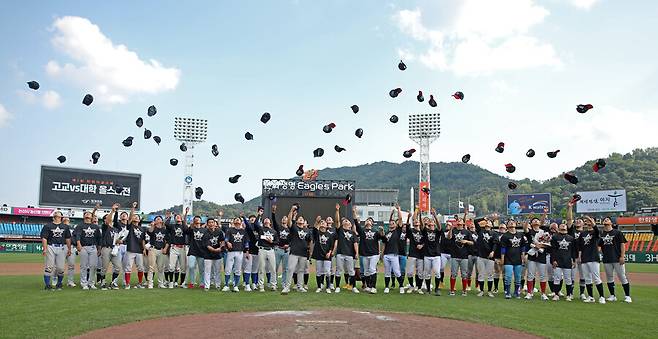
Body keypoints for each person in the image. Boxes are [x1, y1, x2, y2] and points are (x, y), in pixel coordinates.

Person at [598, 217, 632, 303]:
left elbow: (622, 245)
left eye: (607, 219)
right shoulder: (601, 234)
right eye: (604, 220)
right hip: (607, 258)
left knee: (622, 276)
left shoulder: (617, 232)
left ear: (611, 223)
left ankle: (627, 296)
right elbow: (599, 246)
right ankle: (612, 295)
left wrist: (622, 256)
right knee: (609, 277)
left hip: (617, 258)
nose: (605, 220)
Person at [281, 205, 312, 294]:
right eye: (299, 218)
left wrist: (309, 251)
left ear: (305, 222)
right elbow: (289, 220)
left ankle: (300, 286)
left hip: (303, 253)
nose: (301, 219)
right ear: (297, 221)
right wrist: (291, 210)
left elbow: (309, 241)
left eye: (302, 218)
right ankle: (287, 287)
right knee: (290, 269)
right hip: (294, 252)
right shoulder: (294, 228)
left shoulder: (307, 231)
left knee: (301, 270)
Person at [353, 206, 384, 294]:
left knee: (372, 269)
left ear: (372, 223)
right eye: (367, 220)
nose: (368, 221)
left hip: (374, 254)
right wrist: (354, 211)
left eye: (370, 220)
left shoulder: (376, 231)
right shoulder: (362, 231)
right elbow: (356, 221)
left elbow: (383, 239)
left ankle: (373, 287)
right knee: (366, 271)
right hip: (364, 254)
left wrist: (382, 233)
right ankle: (368, 286)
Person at [578, 215, 606, 304]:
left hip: (593, 258)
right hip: (584, 258)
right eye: (587, 221)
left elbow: (597, 231)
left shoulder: (596, 232)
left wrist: (591, 220)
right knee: (587, 279)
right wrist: (579, 256)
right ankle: (590, 296)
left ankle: (602, 297)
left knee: (596, 278)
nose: (588, 222)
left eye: (590, 221)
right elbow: (580, 246)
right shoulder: (582, 233)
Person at [332, 203, 360, 294]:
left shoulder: (353, 233)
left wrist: (356, 253)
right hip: (340, 253)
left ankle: (354, 287)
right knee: (339, 270)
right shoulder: (340, 230)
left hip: (350, 254)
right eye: (344, 221)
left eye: (347, 221)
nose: (345, 221)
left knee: (351, 271)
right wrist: (337, 211)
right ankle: (337, 287)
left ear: (350, 224)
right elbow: (336, 221)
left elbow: (355, 243)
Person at [523, 208, 550, 300]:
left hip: (542, 255)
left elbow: (547, 244)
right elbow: (525, 228)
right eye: (534, 220)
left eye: (537, 220)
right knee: (530, 274)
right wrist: (528, 218)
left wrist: (544, 213)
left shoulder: (544, 232)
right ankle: (529, 293)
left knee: (542, 275)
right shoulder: (530, 231)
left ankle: (543, 293)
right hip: (532, 255)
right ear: (531, 223)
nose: (536, 221)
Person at [41, 211, 72, 290]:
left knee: (60, 268)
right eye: (55, 213)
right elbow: (44, 238)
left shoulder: (65, 227)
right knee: (49, 267)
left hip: (62, 247)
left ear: (61, 217)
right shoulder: (48, 226)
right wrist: (44, 249)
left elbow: (68, 238)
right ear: (53, 216)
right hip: (51, 246)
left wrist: (69, 248)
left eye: (58, 213)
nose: (57, 214)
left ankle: (59, 283)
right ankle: (47, 285)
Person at [250, 209, 278, 292]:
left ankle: (273, 285)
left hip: (271, 250)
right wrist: (259, 215)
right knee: (261, 268)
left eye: (267, 219)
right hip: (262, 250)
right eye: (265, 219)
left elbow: (277, 241)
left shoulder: (274, 231)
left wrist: (271, 241)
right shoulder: (261, 229)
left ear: (270, 222)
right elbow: (255, 223)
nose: (266, 220)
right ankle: (261, 286)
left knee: (273, 268)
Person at [499, 220, 527, 299]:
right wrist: (502, 259)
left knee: (518, 276)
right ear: (507, 226)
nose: (511, 223)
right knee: (508, 276)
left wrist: (523, 256)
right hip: (508, 259)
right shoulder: (505, 236)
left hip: (518, 258)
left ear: (516, 224)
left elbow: (523, 247)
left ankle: (516, 292)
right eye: (509, 222)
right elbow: (503, 249)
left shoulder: (520, 234)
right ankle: (507, 292)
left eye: (513, 222)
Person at [75, 208, 102, 290]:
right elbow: (78, 235)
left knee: (93, 266)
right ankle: (84, 283)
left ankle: (91, 283)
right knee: (84, 266)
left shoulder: (95, 226)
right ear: (83, 217)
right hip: (84, 247)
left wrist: (99, 249)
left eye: (89, 214)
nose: (87, 214)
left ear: (92, 216)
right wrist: (78, 244)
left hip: (93, 247)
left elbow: (99, 238)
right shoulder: (80, 225)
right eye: (86, 214)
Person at [448, 213, 474, 296]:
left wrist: (466, 241)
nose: (459, 223)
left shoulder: (467, 232)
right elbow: (449, 237)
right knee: (453, 273)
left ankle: (464, 290)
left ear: (463, 223)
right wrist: (451, 229)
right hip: (454, 255)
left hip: (464, 256)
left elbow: (472, 242)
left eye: (461, 221)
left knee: (464, 274)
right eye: (458, 221)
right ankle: (452, 290)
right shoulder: (454, 230)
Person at [121, 202, 146, 289]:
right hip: (130, 249)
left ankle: (140, 283)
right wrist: (133, 208)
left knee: (140, 268)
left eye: (137, 217)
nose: (136, 217)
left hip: (139, 250)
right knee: (128, 268)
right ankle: (127, 284)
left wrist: (144, 249)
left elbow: (143, 240)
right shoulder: (130, 226)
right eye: (135, 216)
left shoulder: (142, 229)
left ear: (139, 220)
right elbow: (130, 217)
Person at [382, 204, 405, 294]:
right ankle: (387, 287)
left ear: (396, 225)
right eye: (390, 223)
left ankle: (401, 286)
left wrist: (398, 210)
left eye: (393, 223)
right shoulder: (387, 232)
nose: (391, 224)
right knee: (387, 272)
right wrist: (382, 254)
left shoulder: (397, 231)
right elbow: (384, 242)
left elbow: (400, 220)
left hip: (394, 254)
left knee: (396, 271)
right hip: (386, 254)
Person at [550, 223, 577, 301]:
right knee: (557, 278)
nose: (563, 226)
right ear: (558, 228)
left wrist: (573, 260)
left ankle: (568, 295)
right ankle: (556, 294)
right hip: (558, 261)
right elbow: (553, 250)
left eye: (564, 226)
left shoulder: (571, 238)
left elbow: (573, 251)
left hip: (567, 261)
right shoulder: (555, 237)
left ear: (567, 228)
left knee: (568, 279)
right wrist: (553, 260)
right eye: (561, 225)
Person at [310, 216, 336, 293]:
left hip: (327, 255)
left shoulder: (330, 234)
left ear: (326, 225)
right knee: (318, 272)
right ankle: (319, 287)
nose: (322, 223)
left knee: (327, 272)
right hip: (318, 255)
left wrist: (330, 252)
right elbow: (314, 229)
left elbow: (331, 245)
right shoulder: (317, 233)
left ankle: (328, 287)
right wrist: (316, 221)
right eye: (321, 222)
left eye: (324, 222)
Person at [422, 209, 444, 296]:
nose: (431, 224)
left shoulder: (437, 232)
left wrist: (435, 216)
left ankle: (437, 289)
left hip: (436, 255)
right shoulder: (425, 231)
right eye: (430, 223)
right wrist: (420, 214)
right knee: (427, 273)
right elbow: (422, 226)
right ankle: (428, 289)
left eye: (433, 223)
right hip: (427, 255)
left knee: (437, 272)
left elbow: (439, 227)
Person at [98, 204, 119, 290]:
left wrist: (119, 241)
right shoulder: (104, 227)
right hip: (106, 248)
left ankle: (113, 282)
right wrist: (112, 211)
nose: (110, 219)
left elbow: (117, 239)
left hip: (114, 249)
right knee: (104, 268)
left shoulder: (115, 228)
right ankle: (103, 282)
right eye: (107, 217)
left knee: (118, 267)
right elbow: (108, 221)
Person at [405, 208, 425, 294]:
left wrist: (422, 245)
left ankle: (419, 287)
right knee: (409, 272)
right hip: (412, 253)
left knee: (420, 272)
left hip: (421, 254)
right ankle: (411, 286)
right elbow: (407, 226)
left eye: (418, 221)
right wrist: (409, 217)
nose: (416, 222)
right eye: (415, 221)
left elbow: (426, 241)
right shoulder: (411, 231)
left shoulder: (424, 232)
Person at [474, 216, 495, 298]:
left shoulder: (494, 233)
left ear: (492, 225)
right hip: (481, 256)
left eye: (490, 222)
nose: (488, 223)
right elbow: (475, 221)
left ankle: (489, 291)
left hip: (490, 257)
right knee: (481, 274)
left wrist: (493, 251)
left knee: (490, 275)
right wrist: (484, 218)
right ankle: (481, 291)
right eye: (487, 222)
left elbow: (495, 243)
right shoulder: (480, 231)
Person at [242, 209, 263, 291]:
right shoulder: (248, 229)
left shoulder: (259, 229)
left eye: (254, 219)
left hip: (257, 251)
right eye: (251, 219)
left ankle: (254, 283)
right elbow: (248, 224)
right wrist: (244, 217)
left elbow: (257, 224)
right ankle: (247, 284)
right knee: (247, 268)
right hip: (249, 251)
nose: (253, 220)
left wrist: (259, 216)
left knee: (255, 268)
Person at [147, 215, 169, 289]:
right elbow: (150, 232)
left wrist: (165, 248)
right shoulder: (153, 228)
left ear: (162, 221)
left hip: (161, 250)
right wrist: (152, 225)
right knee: (151, 267)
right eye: (156, 219)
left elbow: (167, 241)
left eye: (159, 218)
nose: (158, 219)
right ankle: (150, 283)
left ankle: (161, 283)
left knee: (161, 268)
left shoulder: (164, 230)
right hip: (153, 249)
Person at [202, 218, 225, 291]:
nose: (211, 224)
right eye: (209, 222)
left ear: (215, 223)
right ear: (207, 224)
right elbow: (207, 245)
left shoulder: (219, 232)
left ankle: (217, 285)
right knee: (207, 271)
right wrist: (215, 250)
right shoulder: (205, 233)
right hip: (208, 254)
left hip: (218, 255)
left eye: (212, 222)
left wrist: (220, 248)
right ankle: (207, 286)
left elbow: (222, 241)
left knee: (217, 271)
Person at [185, 216, 207, 289]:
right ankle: (192, 282)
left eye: (198, 219)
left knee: (201, 269)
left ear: (201, 221)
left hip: (202, 252)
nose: (197, 220)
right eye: (196, 219)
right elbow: (187, 232)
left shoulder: (204, 230)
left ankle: (202, 283)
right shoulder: (192, 229)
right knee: (191, 266)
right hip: (192, 251)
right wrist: (192, 225)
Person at [272, 205, 289, 290]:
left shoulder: (290, 229)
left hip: (286, 250)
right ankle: (274, 284)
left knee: (285, 268)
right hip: (278, 249)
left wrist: (289, 245)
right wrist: (273, 212)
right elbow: (274, 221)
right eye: (283, 218)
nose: (284, 219)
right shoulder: (278, 227)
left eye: (285, 218)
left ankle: (284, 284)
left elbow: (292, 239)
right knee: (275, 267)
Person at [492, 222, 507, 293]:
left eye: (503, 228)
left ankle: (505, 289)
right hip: (497, 256)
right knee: (496, 272)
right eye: (500, 228)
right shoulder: (496, 234)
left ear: (506, 229)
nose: (502, 229)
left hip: (506, 257)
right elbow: (494, 244)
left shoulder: (507, 235)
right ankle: (496, 288)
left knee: (505, 273)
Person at [63, 216, 77, 287]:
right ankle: (55, 279)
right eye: (65, 219)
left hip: (71, 247)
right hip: (62, 246)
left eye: (67, 219)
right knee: (59, 266)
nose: (66, 220)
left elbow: (75, 238)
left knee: (71, 265)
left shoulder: (73, 229)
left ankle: (70, 281)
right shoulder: (60, 228)